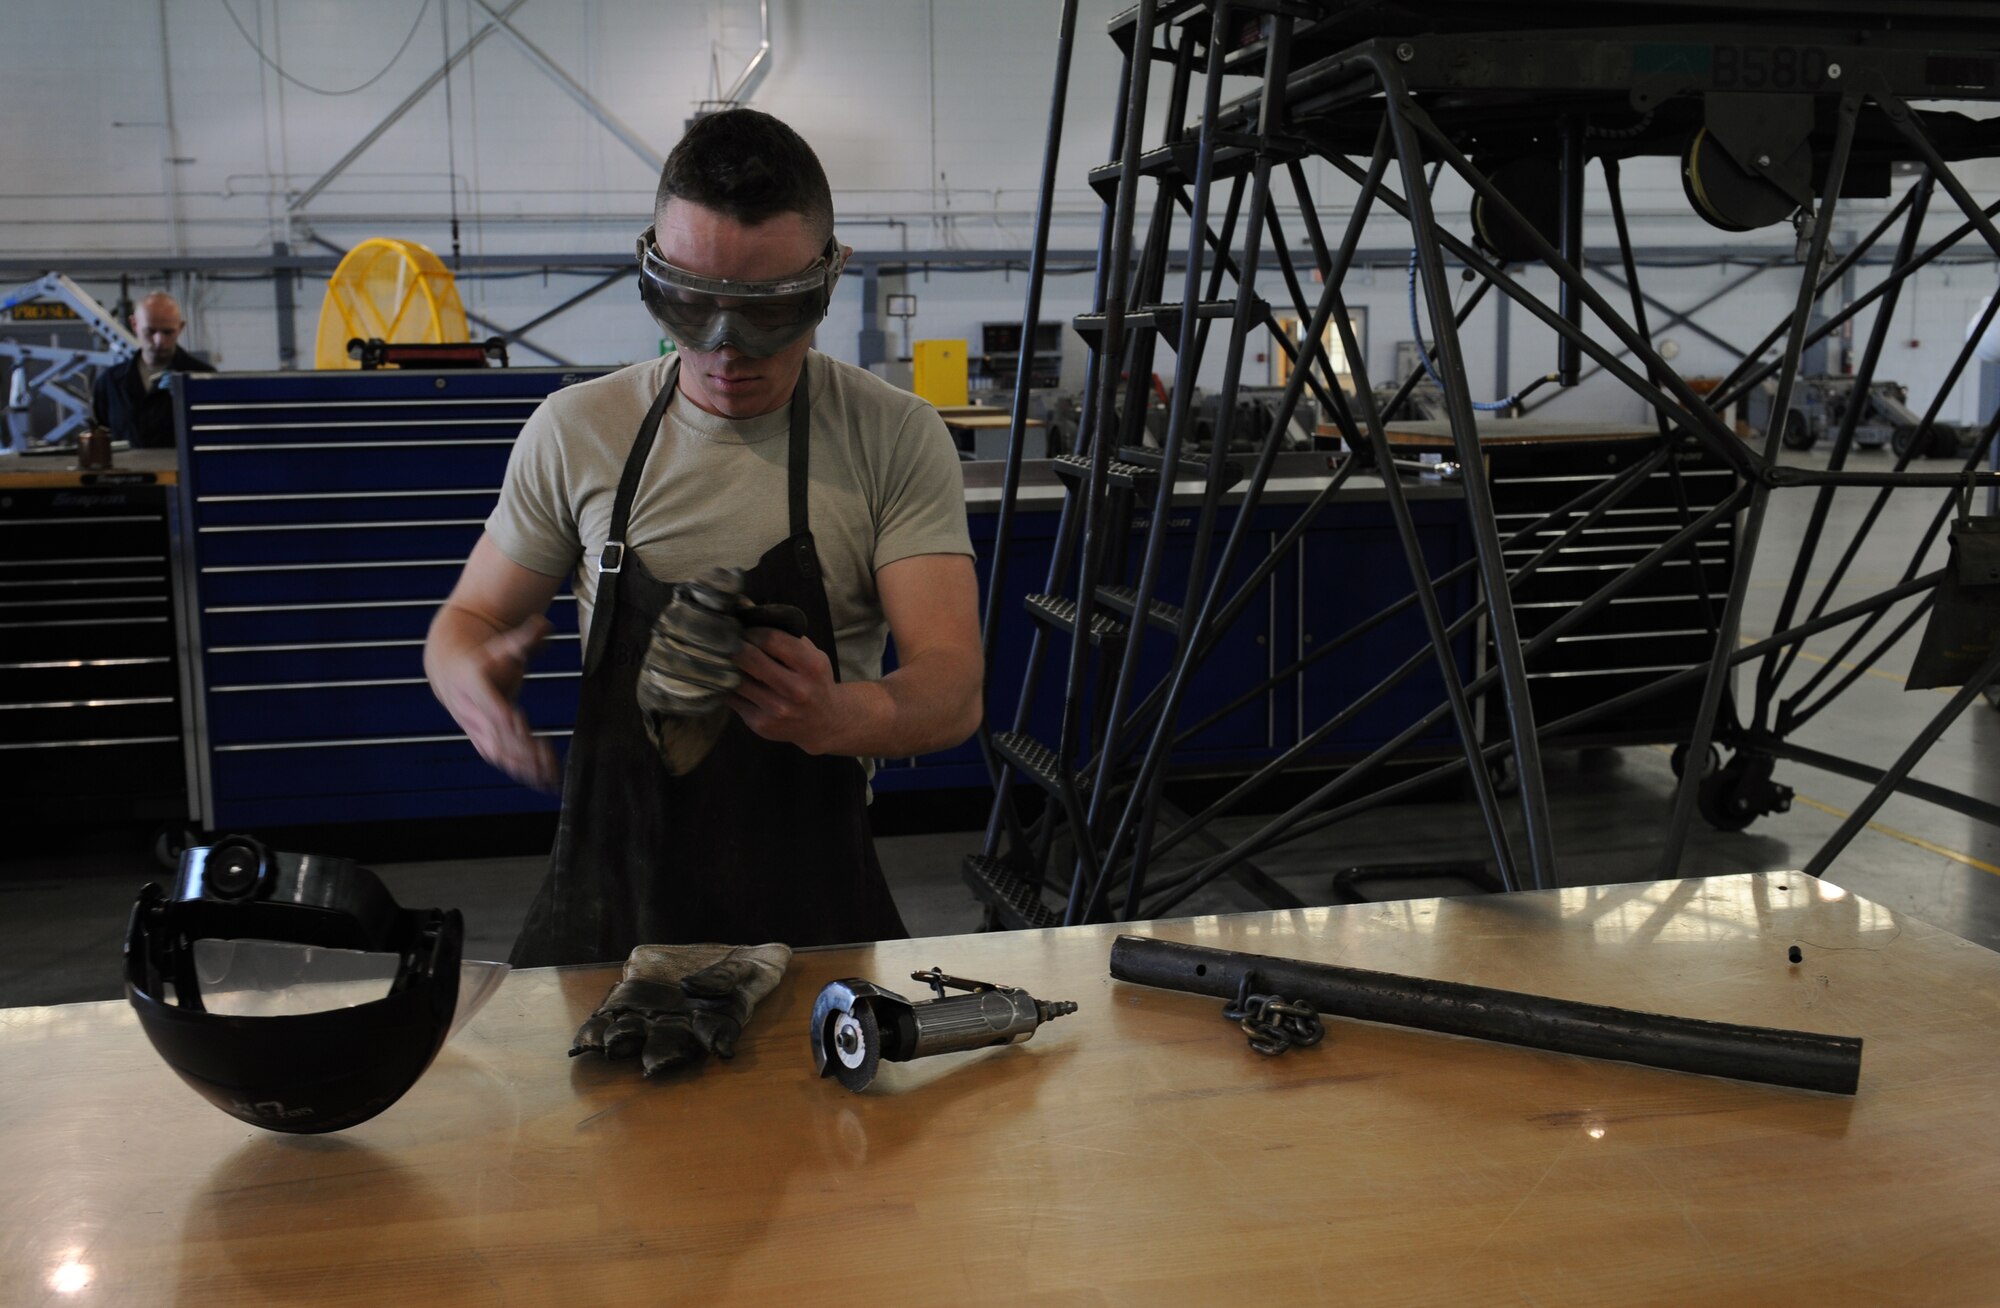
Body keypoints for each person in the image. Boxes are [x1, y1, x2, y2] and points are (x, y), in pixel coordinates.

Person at [423, 109, 983, 967]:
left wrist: (836, 716)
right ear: (653, 272)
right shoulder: (578, 431)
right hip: (610, 913)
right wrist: (467, 677)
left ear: (828, 279)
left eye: (770, 312)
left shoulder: (894, 438)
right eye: (691, 304)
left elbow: (952, 689)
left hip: (812, 913)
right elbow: (462, 623)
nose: (726, 351)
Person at [90, 291, 215, 447]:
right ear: (134, 324)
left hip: (181, 470)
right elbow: (103, 430)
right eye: (150, 331)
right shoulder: (110, 382)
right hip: (129, 470)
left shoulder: (203, 378)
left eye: (167, 332)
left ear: (181, 327)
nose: (159, 340)